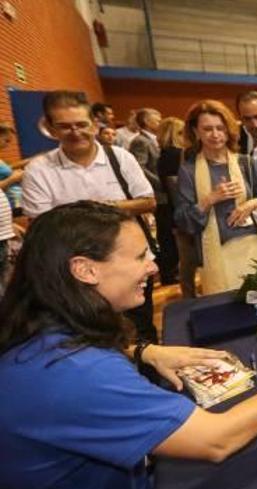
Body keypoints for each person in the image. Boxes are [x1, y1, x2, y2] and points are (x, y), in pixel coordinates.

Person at [0, 201, 257, 489]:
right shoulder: (79, 372)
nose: (155, 267)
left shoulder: (39, 329)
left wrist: (144, 352)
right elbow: (217, 440)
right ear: (85, 270)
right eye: (140, 256)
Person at [20, 91, 158, 342]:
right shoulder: (39, 171)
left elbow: (148, 201)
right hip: (74, 276)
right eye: (65, 126)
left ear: (94, 125)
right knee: (92, 338)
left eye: (81, 124)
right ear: (50, 129)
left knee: (142, 329)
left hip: (129, 267)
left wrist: (107, 207)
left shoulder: (120, 158)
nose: (75, 132)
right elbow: (41, 228)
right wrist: (87, 218)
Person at [175, 99, 257, 295]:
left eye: (220, 128)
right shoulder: (188, 171)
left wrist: (251, 204)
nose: (215, 135)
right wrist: (209, 199)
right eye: (207, 129)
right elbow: (183, 221)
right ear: (196, 132)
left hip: (255, 250)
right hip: (217, 256)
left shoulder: (246, 163)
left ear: (228, 129)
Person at [157, 116, 196, 297]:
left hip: (173, 210)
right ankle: (189, 296)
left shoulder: (164, 154)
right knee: (187, 259)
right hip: (184, 211)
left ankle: (188, 296)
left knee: (186, 260)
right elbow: (177, 187)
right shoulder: (177, 154)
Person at [129, 108, 163, 192]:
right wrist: (160, 183)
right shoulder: (140, 141)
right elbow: (140, 167)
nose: (161, 124)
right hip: (152, 189)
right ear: (147, 122)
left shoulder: (154, 139)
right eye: (158, 121)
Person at [0, 122, 23, 215]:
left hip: (15, 201)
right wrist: (13, 178)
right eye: (6, 141)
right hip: (9, 205)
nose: (7, 145)